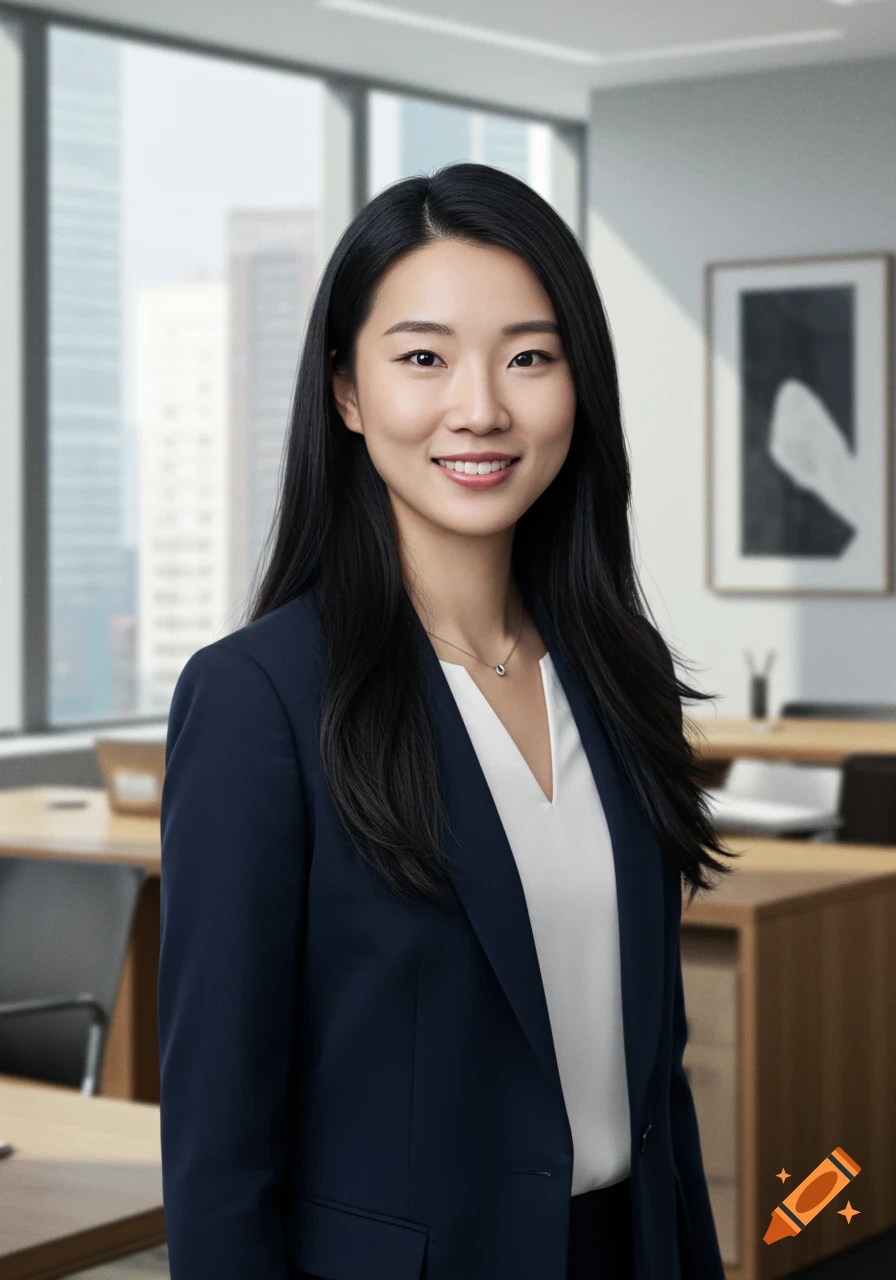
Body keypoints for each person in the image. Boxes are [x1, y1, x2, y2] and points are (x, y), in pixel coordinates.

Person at [158, 161, 736, 1280]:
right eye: (423, 357)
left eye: (529, 356)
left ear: (578, 384)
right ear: (346, 391)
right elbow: (219, 1150)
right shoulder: (258, 700)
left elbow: (651, 1072)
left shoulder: (623, 674)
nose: (481, 406)